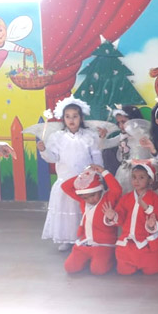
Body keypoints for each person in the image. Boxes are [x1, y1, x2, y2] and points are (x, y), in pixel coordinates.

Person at [37, 96, 103, 251]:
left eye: (75, 116)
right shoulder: (57, 137)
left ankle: (85, 236)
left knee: (83, 210)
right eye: (67, 116)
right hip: (65, 181)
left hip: (86, 181)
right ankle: (66, 238)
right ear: (63, 119)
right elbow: (53, 158)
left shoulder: (90, 136)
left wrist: (99, 174)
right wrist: (44, 150)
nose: (71, 120)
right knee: (67, 211)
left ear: (81, 118)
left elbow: (96, 155)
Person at [103, 162, 158, 275]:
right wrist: (113, 216)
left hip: (146, 245)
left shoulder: (156, 199)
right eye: (134, 177)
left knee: (152, 271)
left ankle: (148, 262)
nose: (137, 181)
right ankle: (128, 261)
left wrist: (152, 225)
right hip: (128, 244)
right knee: (124, 271)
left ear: (150, 180)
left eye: (141, 177)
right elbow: (120, 217)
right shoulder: (126, 198)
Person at [60, 164, 122, 275]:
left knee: (98, 270)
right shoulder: (83, 201)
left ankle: (109, 258)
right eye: (85, 197)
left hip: (103, 245)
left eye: (93, 195)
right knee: (70, 267)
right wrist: (84, 177)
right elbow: (65, 186)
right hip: (85, 243)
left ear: (100, 190)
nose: (90, 200)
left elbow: (117, 189)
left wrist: (103, 172)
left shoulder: (108, 199)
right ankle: (90, 259)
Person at [99, 105, 149, 189]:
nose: (121, 126)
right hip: (124, 172)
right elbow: (104, 145)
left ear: (134, 120)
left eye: (123, 122)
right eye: (119, 123)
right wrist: (103, 136)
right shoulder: (122, 136)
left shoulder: (143, 135)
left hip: (141, 172)